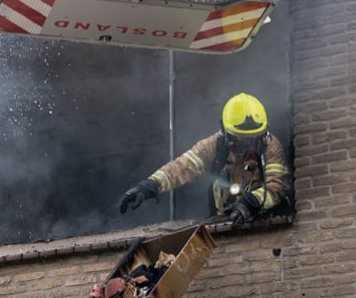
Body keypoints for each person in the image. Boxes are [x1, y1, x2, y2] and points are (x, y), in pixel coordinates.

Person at [118, 92, 292, 227]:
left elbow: (277, 187)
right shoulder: (215, 146)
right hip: (223, 221)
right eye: (241, 140)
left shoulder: (271, 146)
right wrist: (150, 186)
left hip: (264, 221)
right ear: (226, 134)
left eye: (253, 139)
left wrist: (250, 203)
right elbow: (182, 167)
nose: (248, 147)